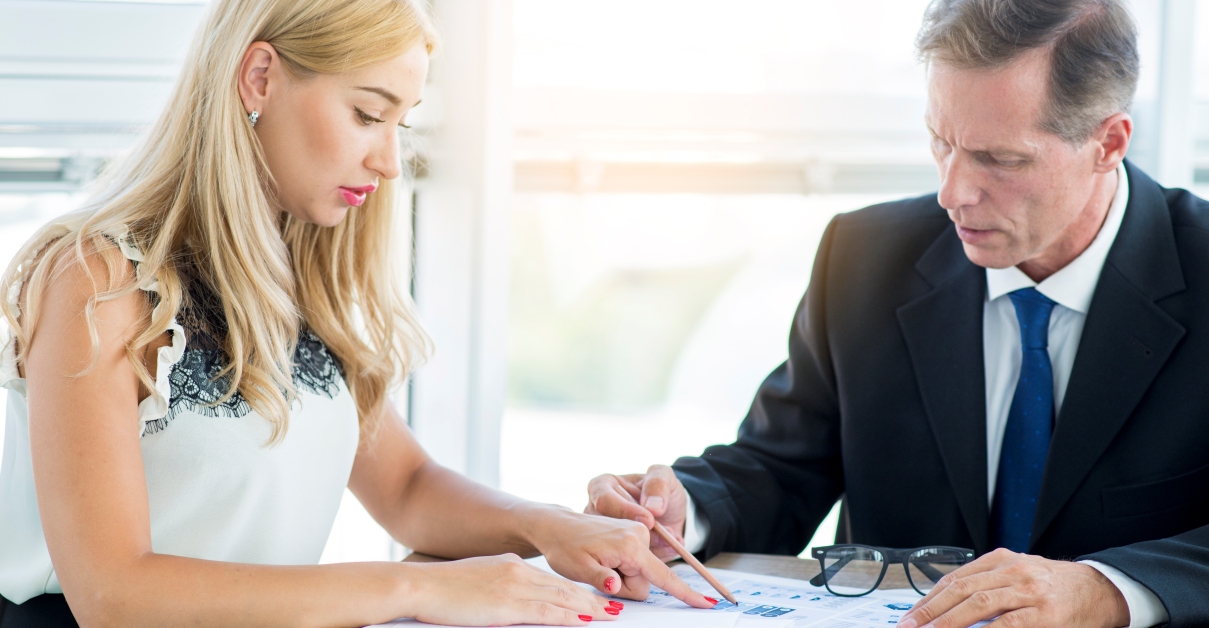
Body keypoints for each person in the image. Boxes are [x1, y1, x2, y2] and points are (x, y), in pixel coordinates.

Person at [0, 1, 714, 626]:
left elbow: (404, 489)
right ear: (259, 78)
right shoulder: (97, 275)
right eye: (368, 115)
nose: (390, 161)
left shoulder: (295, 271)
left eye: (401, 123)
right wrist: (418, 587)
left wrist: (550, 525)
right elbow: (114, 596)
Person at [587, 1, 1209, 627]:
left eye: (1001, 159)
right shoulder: (864, 258)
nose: (952, 192)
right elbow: (781, 466)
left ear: (1109, 142)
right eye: (941, 143)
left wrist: (1105, 591)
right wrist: (681, 509)